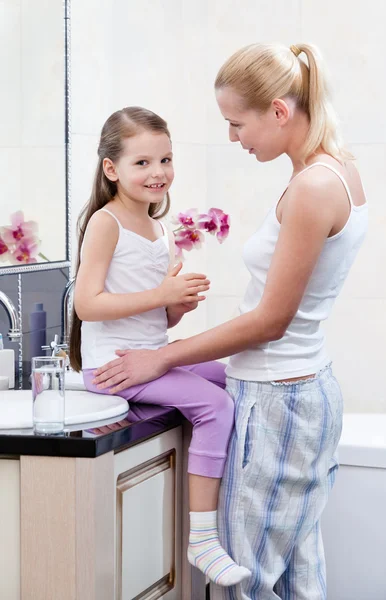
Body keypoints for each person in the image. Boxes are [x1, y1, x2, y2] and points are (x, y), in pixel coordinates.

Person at [92, 43, 368, 600]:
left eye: (237, 123)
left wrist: (163, 354)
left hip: (278, 398)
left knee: (251, 581)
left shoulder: (314, 186)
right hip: (297, 390)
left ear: (279, 111)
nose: (233, 138)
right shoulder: (334, 173)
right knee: (296, 572)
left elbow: (270, 321)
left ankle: (201, 540)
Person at [69, 106, 251, 587]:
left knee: (234, 376)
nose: (158, 173)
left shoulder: (158, 227)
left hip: (148, 357)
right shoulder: (106, 223)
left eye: (166, 160)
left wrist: (178, 306)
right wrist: (161, 296)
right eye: (143, 163)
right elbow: (88, 304)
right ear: (112, 169)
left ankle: (228, 504)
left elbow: (156, 316)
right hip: (116, 366)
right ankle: (204, 539)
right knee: (213, 405)